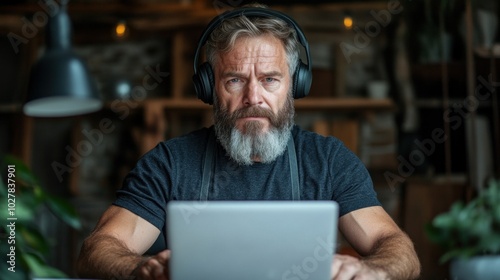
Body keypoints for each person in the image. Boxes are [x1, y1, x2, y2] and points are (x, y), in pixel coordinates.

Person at [77, 4, 420, 280]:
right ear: (210, 88)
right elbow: (99, 248)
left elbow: (395, 246)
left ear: (295, 86)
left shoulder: (328, 160)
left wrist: (374, 270)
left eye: (270, 79)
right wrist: (138, 268)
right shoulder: (169, 163)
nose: (252, 97)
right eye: (235, 80)